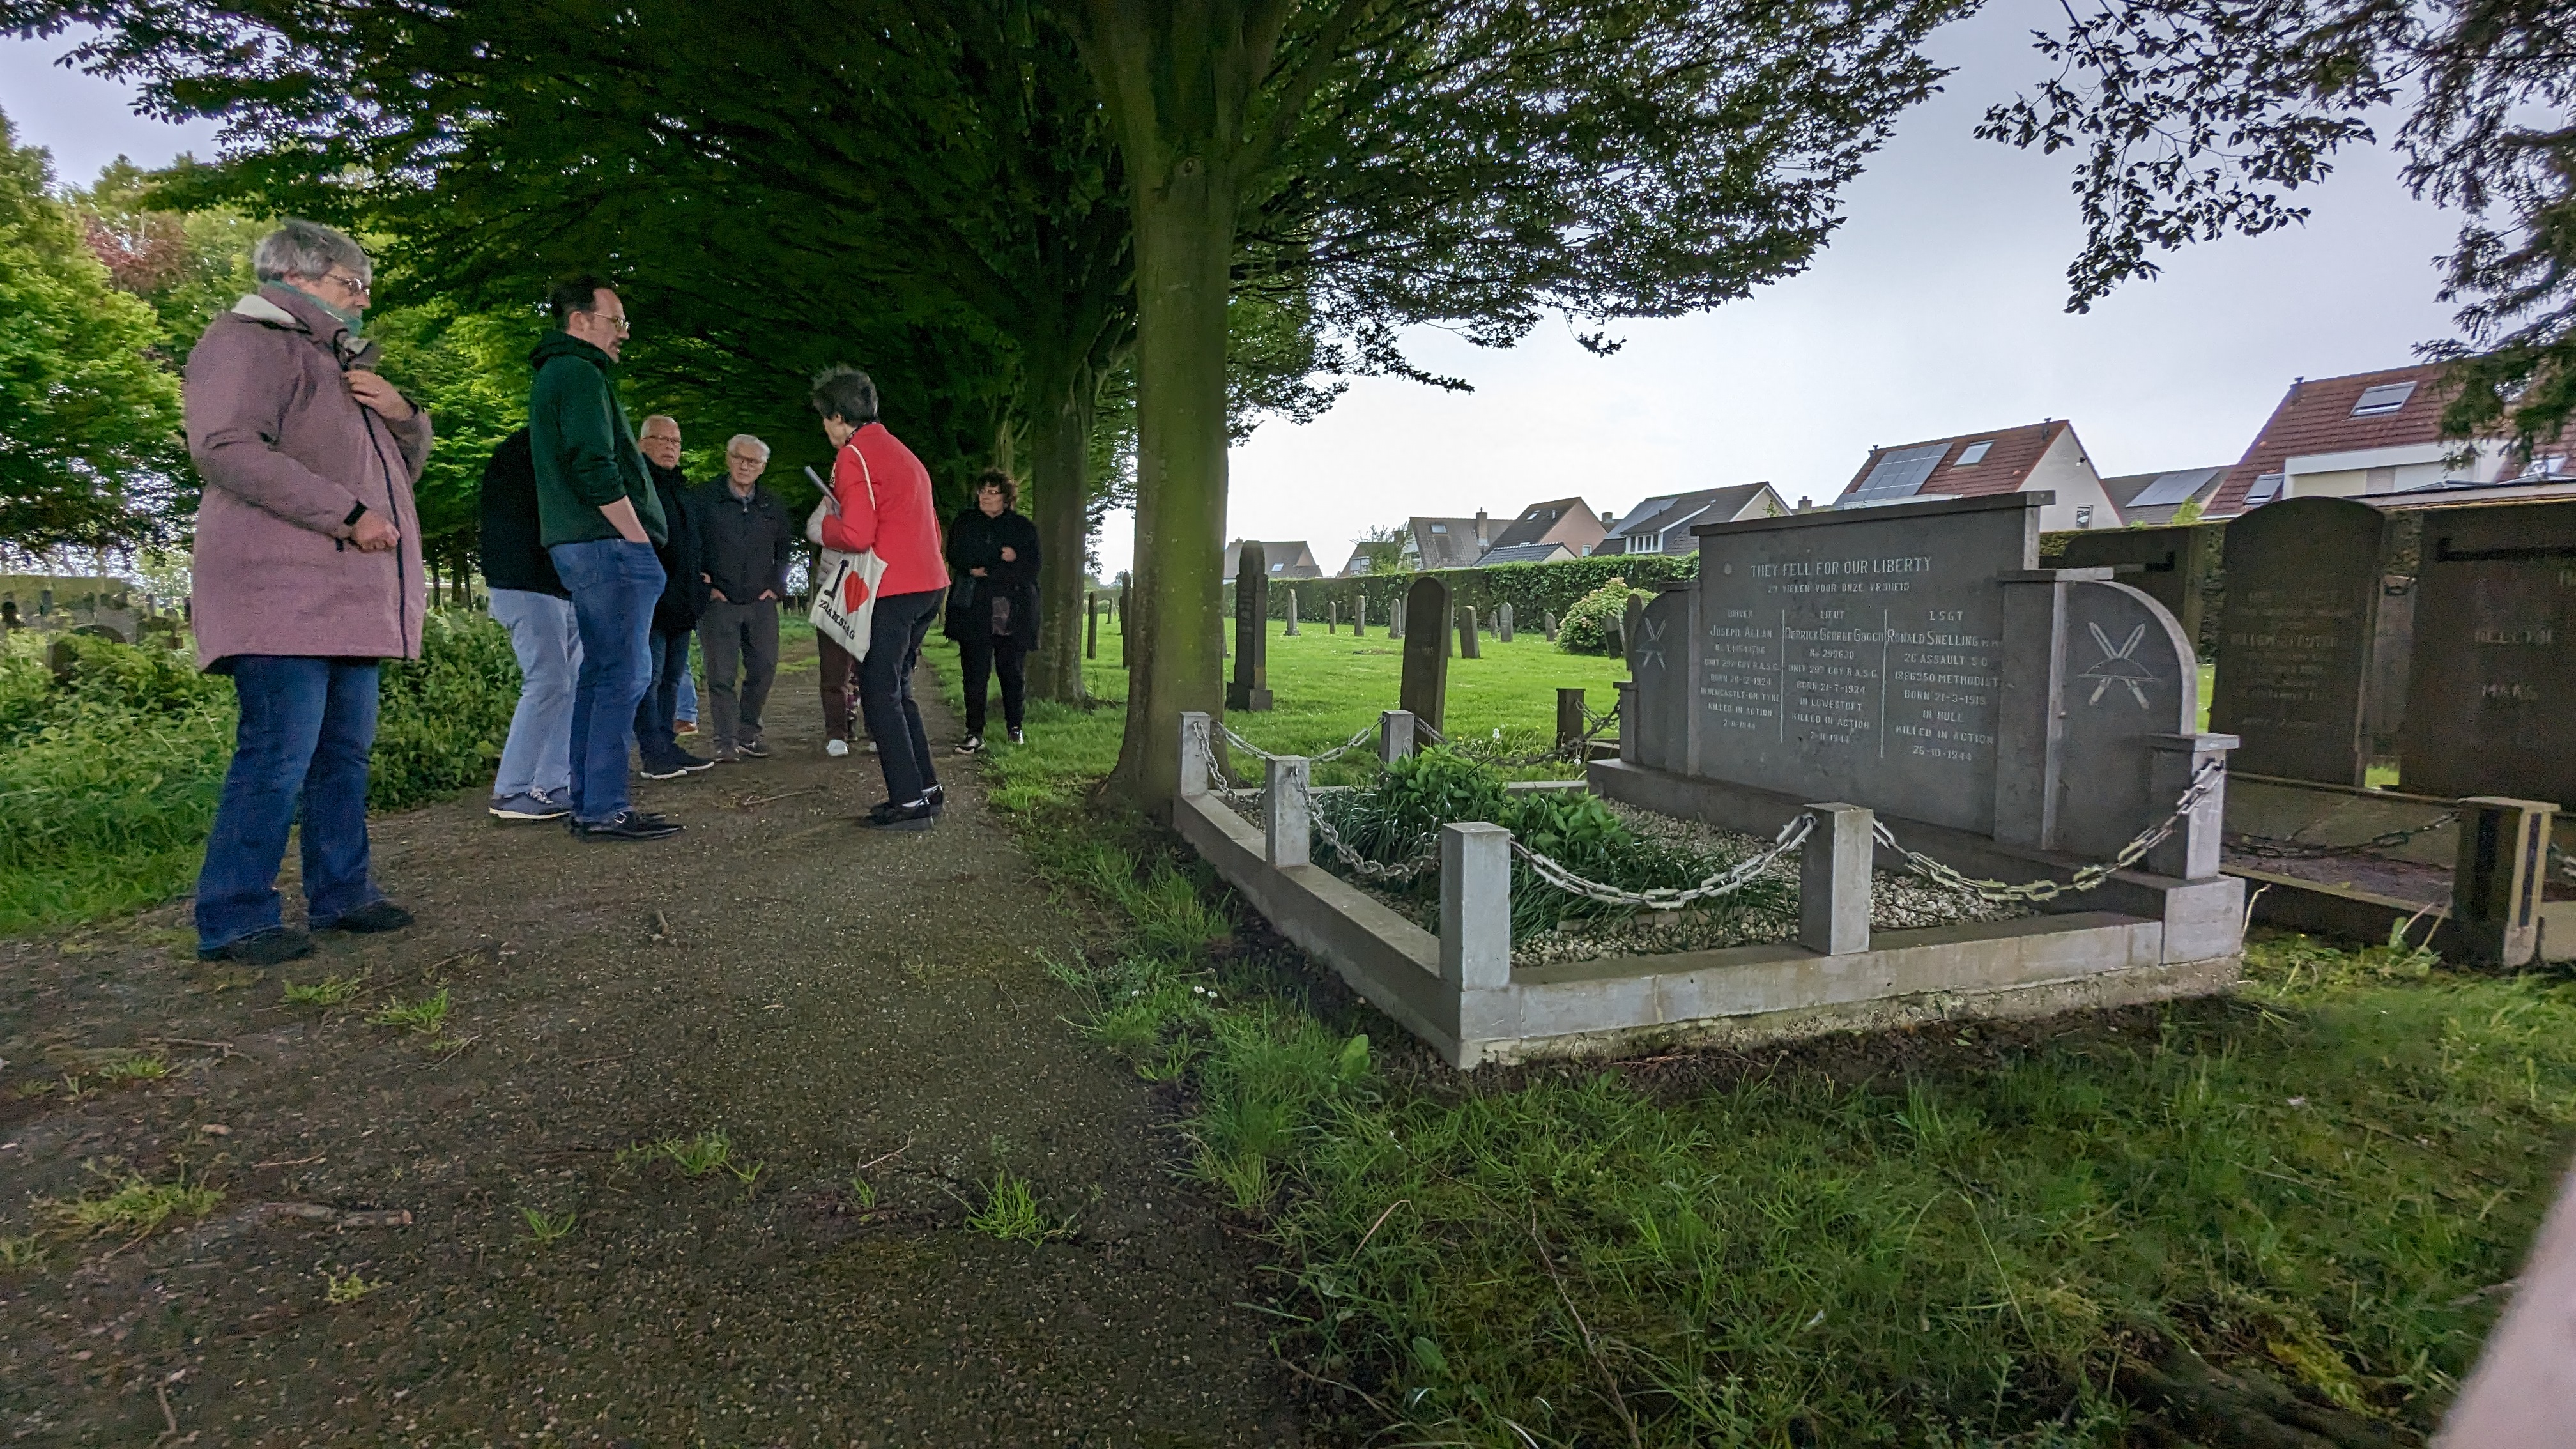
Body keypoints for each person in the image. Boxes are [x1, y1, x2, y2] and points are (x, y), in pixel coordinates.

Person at [183, 219, 429, 964]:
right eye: (352, 286)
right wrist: (346, 515)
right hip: (280, 591)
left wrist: (406, 418)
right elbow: (224, 448)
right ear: (301, 275)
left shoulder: (340, 362)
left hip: (349, 595)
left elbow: (395, 483)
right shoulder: (245, 339)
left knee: (343, 755)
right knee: (277, 754)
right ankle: (235, 915)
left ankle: (343, 894)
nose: (361, 301)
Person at [530, 273, 680, 841]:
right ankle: (605, 807)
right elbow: (593, 465)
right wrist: (638, 537)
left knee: (600, 676)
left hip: (586, 546)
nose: (622, 335)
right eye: (615, 322)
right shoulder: (577, 371)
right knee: (625, 675)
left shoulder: (557, 374)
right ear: (579, 322)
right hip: (608, 546)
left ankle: (593, 801)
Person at [811, 365, 948, 829]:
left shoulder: (855, 456)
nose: (826, 430)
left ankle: (909, 802)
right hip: (929, 582)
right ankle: (925, 788)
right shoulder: (900, 450)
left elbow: (855, 532)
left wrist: (827, 523)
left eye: (824, 420)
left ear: (836, 416)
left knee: (877, 690)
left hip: (894, 586)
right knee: (899, 686)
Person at [479, 427, 580, 822]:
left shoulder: (551, 450)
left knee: (568, 682)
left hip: (556, 583)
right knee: (549, 681)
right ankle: (512, 790)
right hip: (525, 581)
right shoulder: (528, 451)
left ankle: (551, 783)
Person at [693, 433, 794, 762]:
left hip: (760, 600)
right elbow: (690, 544)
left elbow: (785, 550)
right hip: (719, 600)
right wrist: (704, 585)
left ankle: (749, 732)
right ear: (728, 458)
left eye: (753, 461)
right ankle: (725, 740)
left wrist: (776, 587)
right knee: (721, 674)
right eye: (739, 457)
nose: (745, 466)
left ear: (763, 467)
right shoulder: (704, 499)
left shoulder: (773, 505)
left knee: (764, 667)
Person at [632, 414, 712, 779]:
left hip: (682, 601)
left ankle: (668, 745)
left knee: (672, 678)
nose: (669, 447)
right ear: (642, 443)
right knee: (649, 678)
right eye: (661, 439)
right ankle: (652, 752)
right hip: (650, 600)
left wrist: (702, 580)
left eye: (675, 442)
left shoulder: (682, 487)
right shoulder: (637, 484)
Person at [942, 466, 1041, 752]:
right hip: (974, 609)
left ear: (1006, 497)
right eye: (982, 492)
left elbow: (1031, 565)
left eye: (992, 493)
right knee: (975, 672)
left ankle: (1015, 727)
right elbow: (959, 556)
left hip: (1014, 610)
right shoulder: (965, 523)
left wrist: (1000, 566)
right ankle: (974, 732)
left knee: (1012, 672)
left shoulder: (1023, 528)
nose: (985, 497)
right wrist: (1002, 557)